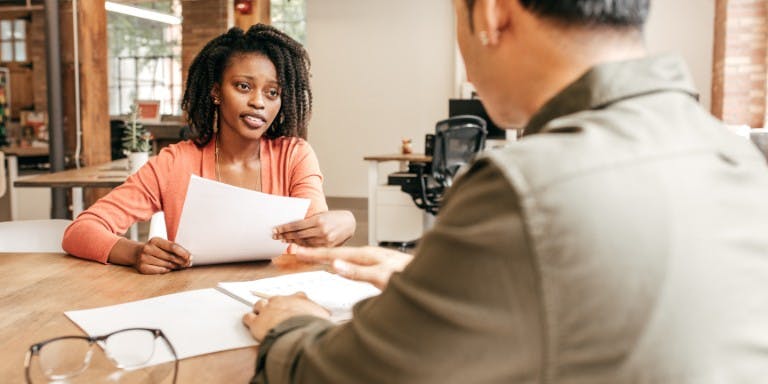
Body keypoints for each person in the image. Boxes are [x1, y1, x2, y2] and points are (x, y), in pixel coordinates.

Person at [241, 0, 768, 383]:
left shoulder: (526, 189)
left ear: (491, 13)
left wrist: (294, 325)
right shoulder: (740, 159)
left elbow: (337, 376)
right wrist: (448, 283)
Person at [62, 25, 356, 274]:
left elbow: (318, 234)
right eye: (243, 86)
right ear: (216, 91)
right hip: (193, 298)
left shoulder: (294, 156)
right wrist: (136, 253)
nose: (258, 102)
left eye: (272, 92)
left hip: (279, 295)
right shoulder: (174, 163)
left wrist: (347, 222)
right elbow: (80, 231)